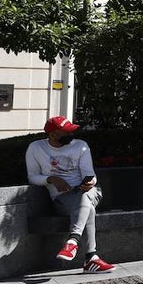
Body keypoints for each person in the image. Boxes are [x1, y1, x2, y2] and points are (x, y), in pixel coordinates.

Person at [25, 116, 117, 273]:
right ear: (53, 134)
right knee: (89, 209)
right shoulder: (36, 148)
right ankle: (90, 259)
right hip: (62, 198)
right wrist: (51, 179)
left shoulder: (81, 146)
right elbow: (32, 177)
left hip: (89, 191)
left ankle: (73, 240)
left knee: (85, 195)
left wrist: (91, 182)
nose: (71, 134)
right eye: (66, 132)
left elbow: (90, 174)